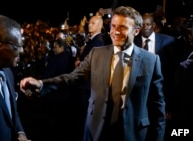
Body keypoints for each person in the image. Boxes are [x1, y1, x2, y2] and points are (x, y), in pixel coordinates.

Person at [20, 6, 166, 141]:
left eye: (122, 27)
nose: (115, 31)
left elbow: (157, 107)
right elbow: (72, 78)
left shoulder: (151, 61)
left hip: (134, 134)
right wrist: (41, 84)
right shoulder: (96, 54)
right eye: (113, 26)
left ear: (136, 31)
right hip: (97, 130)